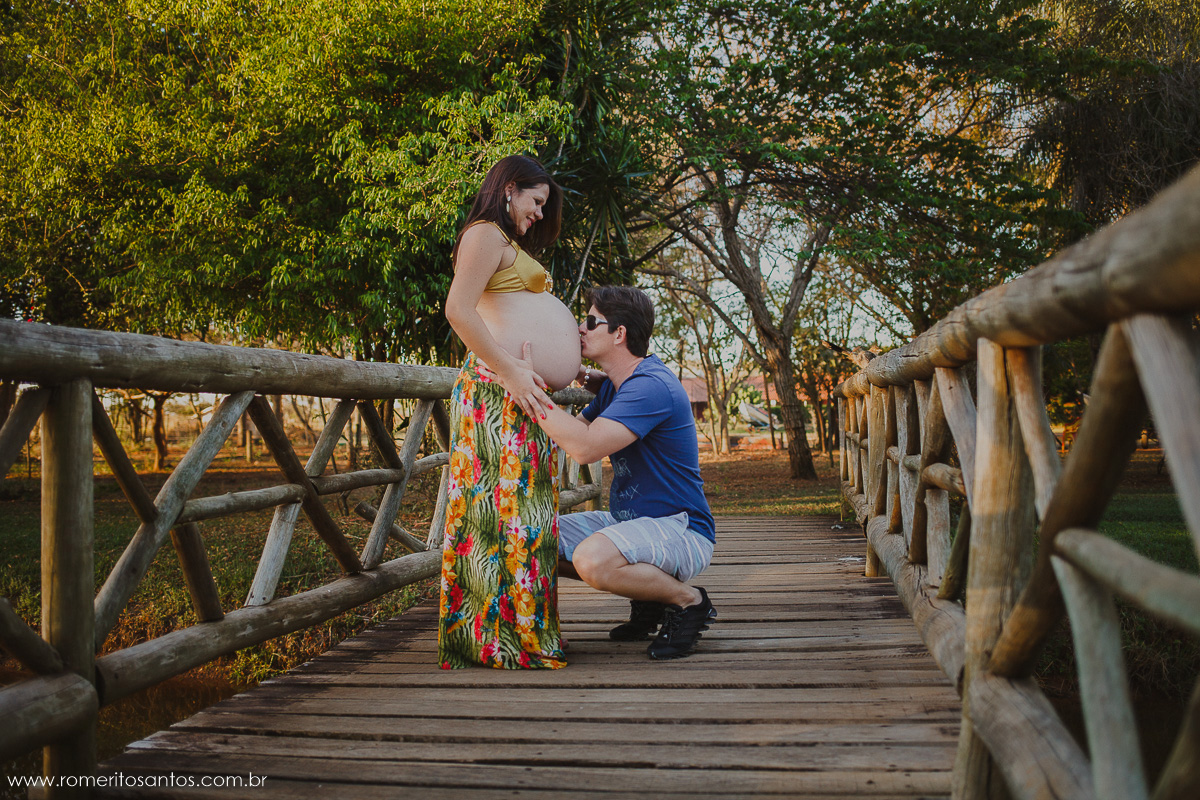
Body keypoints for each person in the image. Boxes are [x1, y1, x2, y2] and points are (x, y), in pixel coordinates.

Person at [438, 155, 581, 669]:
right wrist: (512, 371)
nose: (540, 214)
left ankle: (520, 635)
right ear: (509, 190)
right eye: (536, 202)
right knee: (503, 514)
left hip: (517, 391)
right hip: (498, 393)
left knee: (527, 512)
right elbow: (458, 310)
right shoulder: (483, 235)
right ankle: (496, 642)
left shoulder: (506, 243)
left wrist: (563, 365)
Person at [533, 286, 718, 660]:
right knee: (533, 536)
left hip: (681, 528)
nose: (580, 329)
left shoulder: (650, 386)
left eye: (590, 322)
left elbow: (584, 446)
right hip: (630, 521)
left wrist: (525, 389)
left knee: (592, 560)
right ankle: (647, 596)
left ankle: (688, 601)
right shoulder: (617, 386)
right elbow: (564, 438)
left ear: (619, 334)